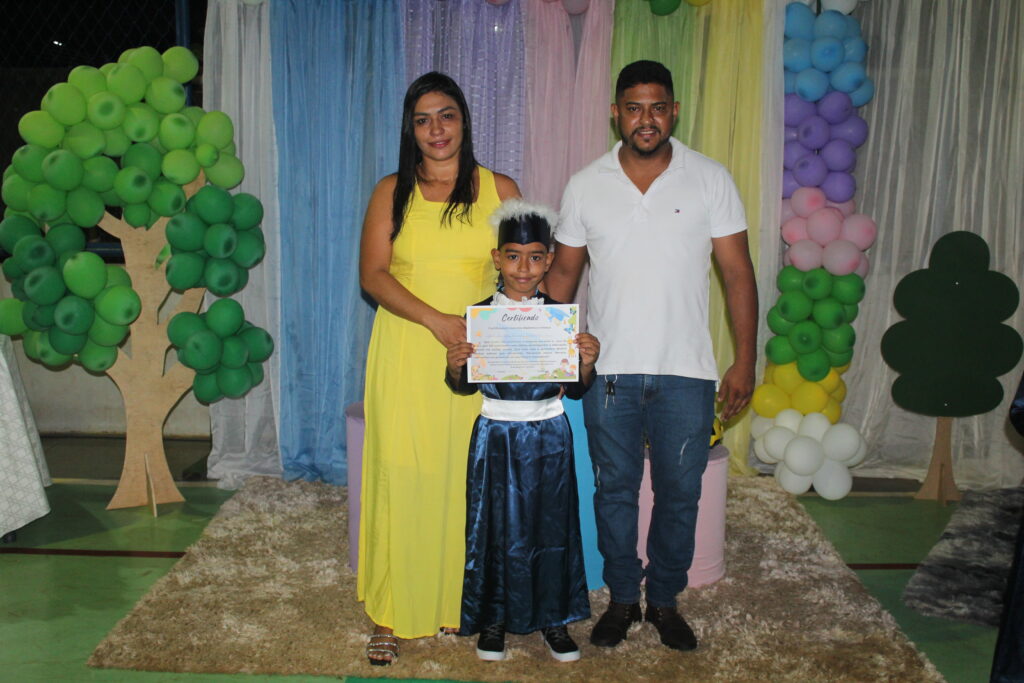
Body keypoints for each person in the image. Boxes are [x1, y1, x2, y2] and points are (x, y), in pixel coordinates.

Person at [545, 60, 757, 652]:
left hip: (688, 372)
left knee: (680, 494)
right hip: (608, 373)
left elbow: (737, 274)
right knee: (613, 491)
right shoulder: (585, 184)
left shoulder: (709, 178)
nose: (646, 119)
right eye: (634, 108)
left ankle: (664, 600)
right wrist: (542, 353)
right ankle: (621, 598)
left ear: (674, 112)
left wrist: (745, 360)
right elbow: (562, 276)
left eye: (658, 108)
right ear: (615, 112)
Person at [357, 71, 521, 666]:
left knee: (465, 480)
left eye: (446, 115)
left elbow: (524, 270)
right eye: (423, 120)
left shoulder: (501, 189)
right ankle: (390, 612)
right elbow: (373, 275)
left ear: (464, 121)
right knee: (401, 476)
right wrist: (437, 322)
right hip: (407, 350)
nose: (436, 130)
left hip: (475, 359)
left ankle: (458, 600)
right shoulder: (391, 191)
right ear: (411, 129)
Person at [445, 199, 598, 662]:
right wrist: (455, 365)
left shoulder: (559, 321)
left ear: (549, 260)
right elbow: (463, 386)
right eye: (513, 256)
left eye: (535, 257)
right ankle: (493, 619)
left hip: (548, 434)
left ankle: (553, 619)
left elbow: (577, 390)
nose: (523, 268)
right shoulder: (479, 318)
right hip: (495, 435)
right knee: (492, 529)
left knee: (551, 528)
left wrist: (586, 362)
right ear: (498, 259)